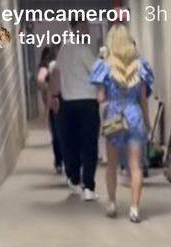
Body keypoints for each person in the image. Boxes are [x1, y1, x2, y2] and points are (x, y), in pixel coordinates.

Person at [91, 25, 153, 223]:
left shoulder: (104, 66)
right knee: (136, 166)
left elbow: (100, 98)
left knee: (112, 165)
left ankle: (111, 203)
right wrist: (148, 122)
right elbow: (143, 99)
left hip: (114, 116)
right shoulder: (141, 66)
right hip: (135, 115)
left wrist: (108, 93)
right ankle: (134, 209)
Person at [56, 22, 100, 202]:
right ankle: (88, 186)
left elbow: (58, 74)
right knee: (89, 145)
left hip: (67, 104)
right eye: (84, 28)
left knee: (70, 144)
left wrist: (54, 97)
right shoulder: (84, 49)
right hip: (87, 104)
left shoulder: (63, 50)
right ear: (76, 28)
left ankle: (74, 179)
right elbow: (98, 71)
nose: (87, 31)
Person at [37, 46, 63, 175]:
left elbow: (40, 79)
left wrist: (49, 89)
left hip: (54, 102)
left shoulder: (47, 64)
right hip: (68, 100)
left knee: (56, 133)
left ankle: (59, 162)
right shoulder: (63, 63)